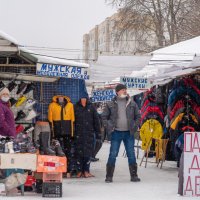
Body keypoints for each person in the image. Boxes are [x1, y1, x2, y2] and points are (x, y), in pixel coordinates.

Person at [102, 84, 141, 183]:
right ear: (117, 91)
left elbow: (138, 116)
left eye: (125, 89)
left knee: (131, 154)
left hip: (129, 133)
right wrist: (110, 126)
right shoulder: (110, 103)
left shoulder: (132, 102)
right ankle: (109, 176)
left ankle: (134, 176)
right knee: (113, 154)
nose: (125, 91)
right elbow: (104, 117)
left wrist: (134, 126)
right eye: (123, 90)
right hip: (116, 133)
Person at [74, 94, 101, 178]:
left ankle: (86, 171)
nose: (83, 99)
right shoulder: (75, 107)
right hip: (78, 133)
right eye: (82, 97)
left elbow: (96, 121)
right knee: (79, 153)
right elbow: (72, 121)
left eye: (85, 97)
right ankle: (79, 171)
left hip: (89, 133)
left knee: (88, 153)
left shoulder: (91, 107)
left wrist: (98, 133)